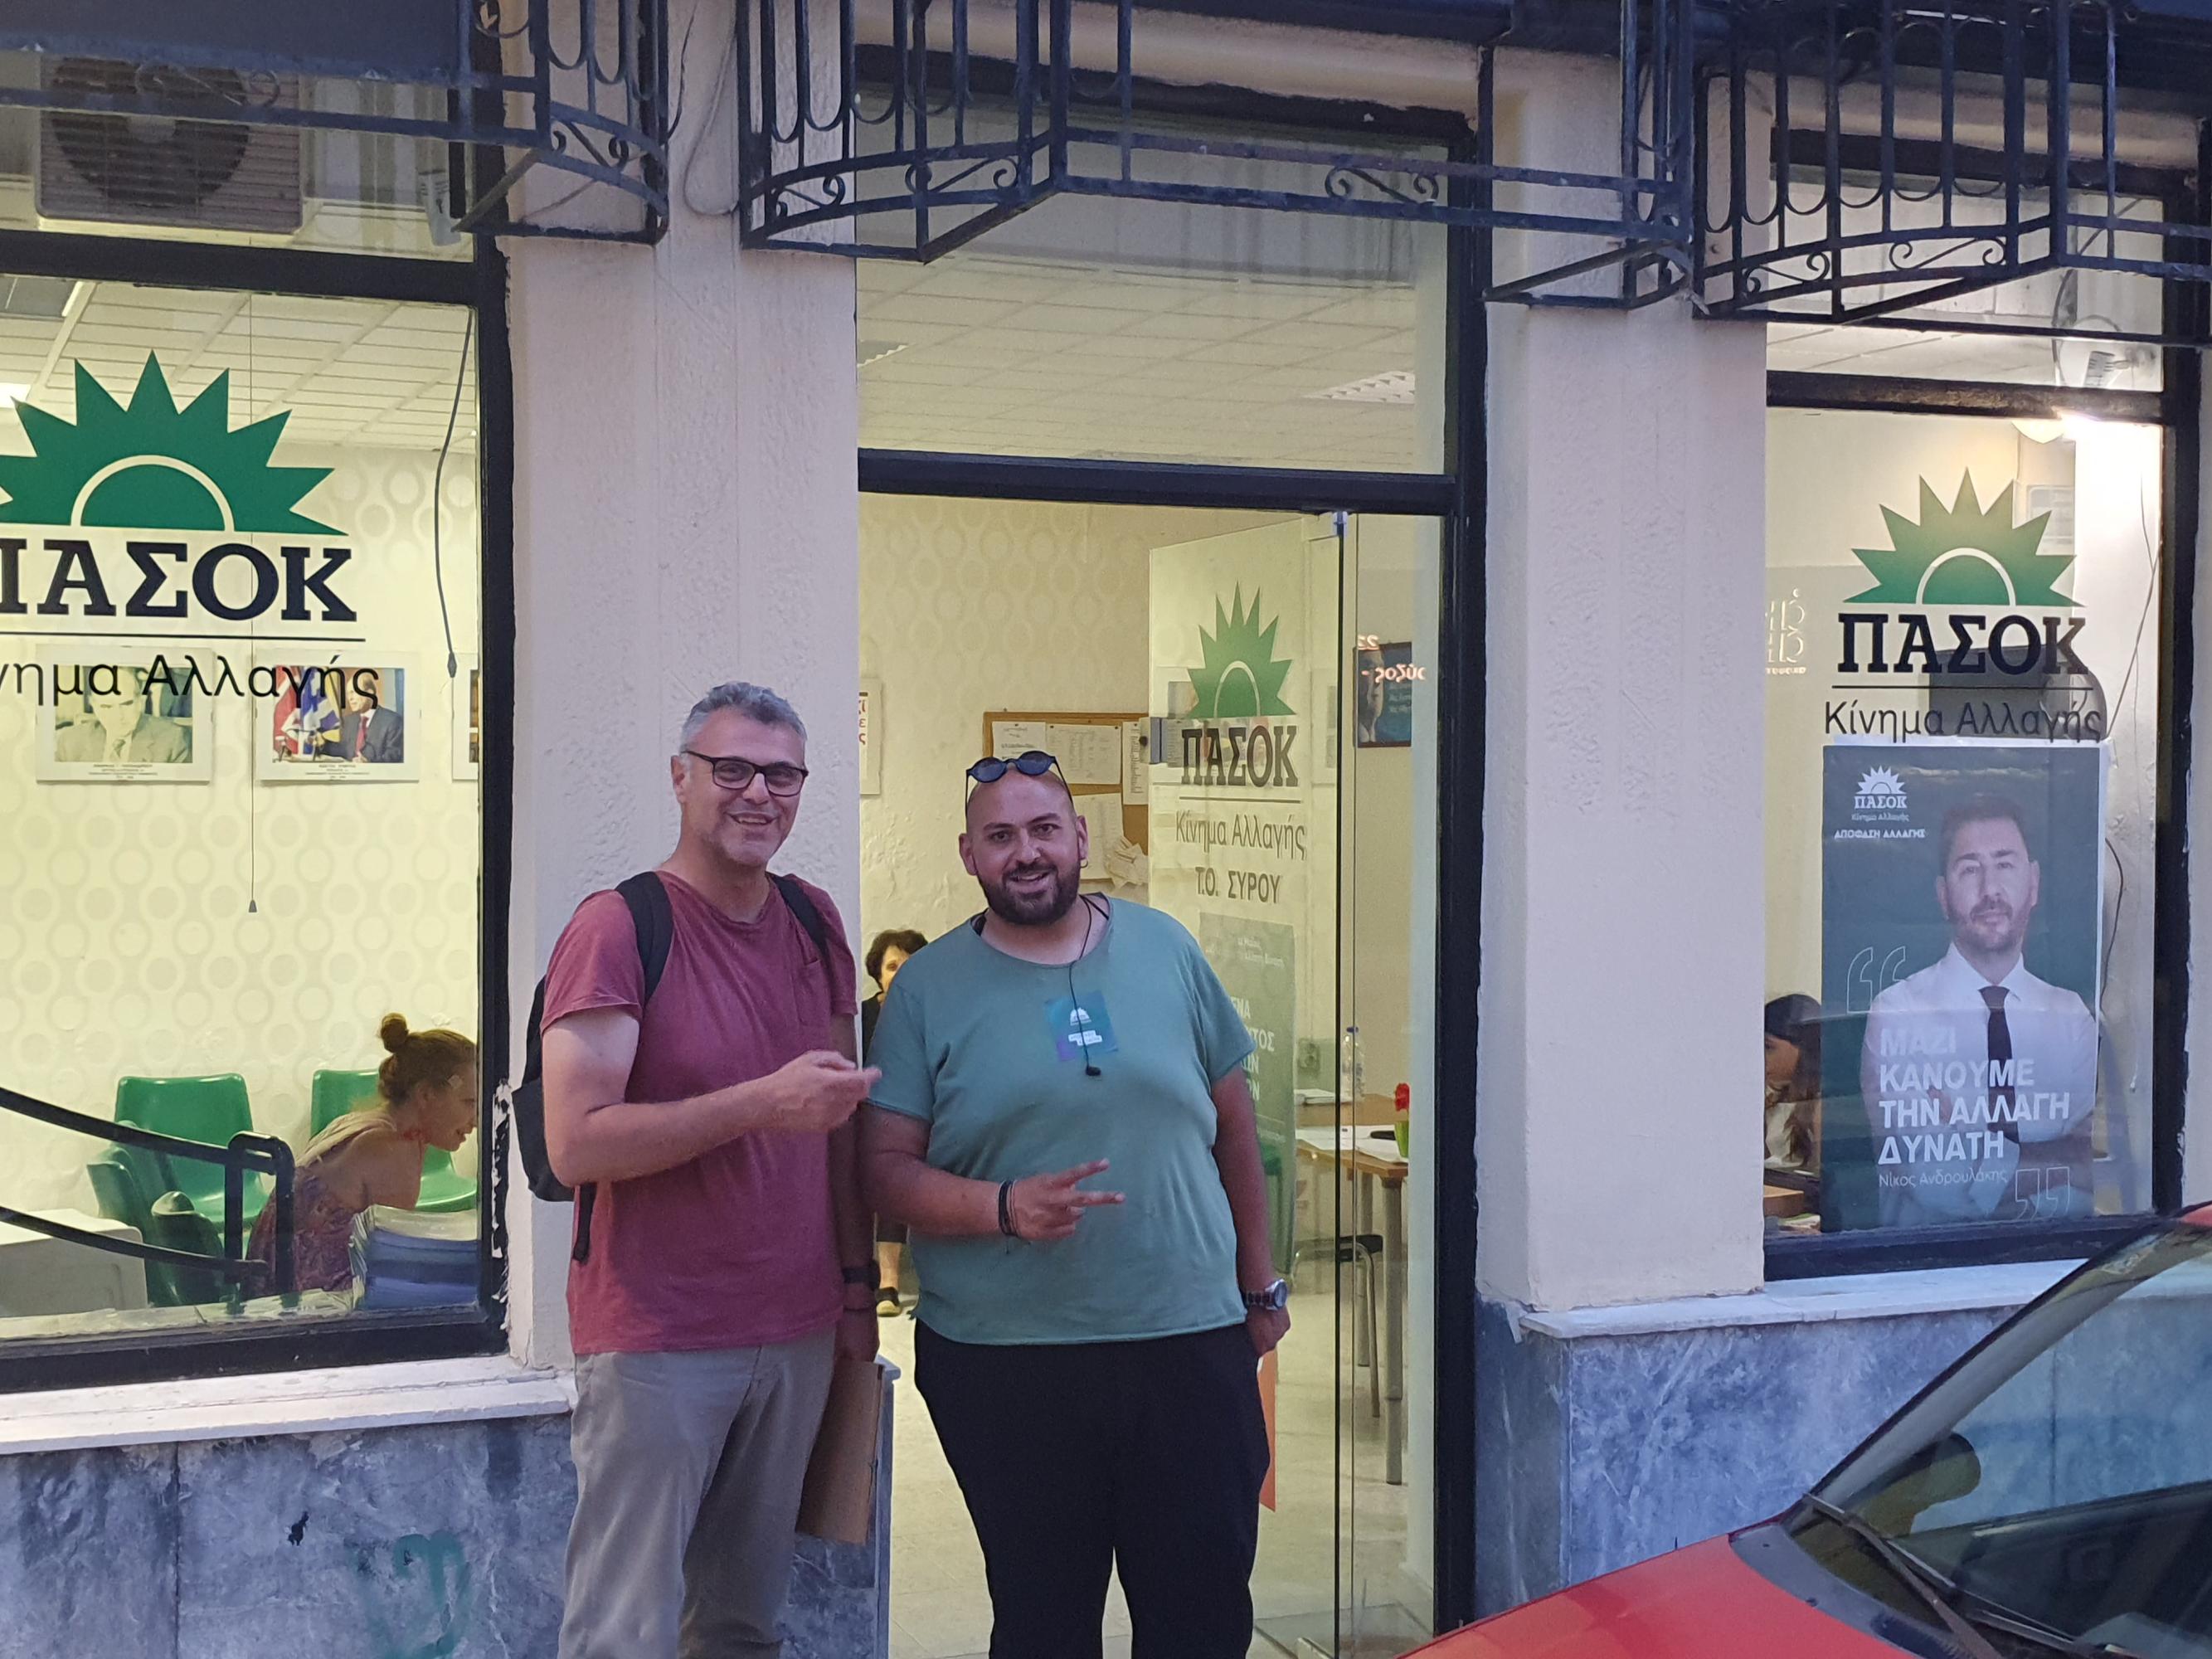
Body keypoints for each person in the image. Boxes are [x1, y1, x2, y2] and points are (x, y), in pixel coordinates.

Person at [863, 749, 1286, 1659]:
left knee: (1202, 1616)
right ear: (969, 855)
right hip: (1007, 1363)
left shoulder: (1166, 947)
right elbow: (882, 1172)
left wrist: (1259, 1284)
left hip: (1188, 1345)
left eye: (1044, 829)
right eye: (1000, 836)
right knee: (1044, 1622)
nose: (1026, 851)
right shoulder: (926, 989)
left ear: (1080, 838)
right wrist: (1002, 1206)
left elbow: (1236, 1127)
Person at [541, 680, 878, 1659]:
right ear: (680, 777)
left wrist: (857, 1289)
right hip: (659, 1337)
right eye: (731, 769)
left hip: (798, 1328)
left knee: (741, 1626)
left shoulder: (815, 919)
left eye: (781, 774)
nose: (757, 793)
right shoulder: (618, 926)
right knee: (623, 1630)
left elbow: (841, 1129)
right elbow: (577, 1142)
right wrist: (759, 1103)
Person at [1859, 793, 2099, 1228]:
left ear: (2034, 884)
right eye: (1970, 869)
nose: (1990, 890)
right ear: (1943, 894)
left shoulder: (2071, 1017)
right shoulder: (1897, 1013)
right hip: (1932, 1264)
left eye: (2005, 865)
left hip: (2056, 1260)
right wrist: (2061, 1156)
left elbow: (2091, 1174)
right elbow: (1934, 1182)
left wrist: (1976, 1151)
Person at [246, 1014, 476, 1294]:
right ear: (426, 1095)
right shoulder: (393, 1150)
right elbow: (391, 1271)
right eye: (469, 1102)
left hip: (269, 1286)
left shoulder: (358, 1123)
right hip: (304, 1301)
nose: (476, 1120)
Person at [862, 927, 929, 1316]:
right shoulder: (864, 1016)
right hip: (872, 1116)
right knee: (890, 1166)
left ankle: (935, 1284)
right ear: (878, 974)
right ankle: (886, 1284)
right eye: (892, 966)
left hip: (928, 1116)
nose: (901, 973)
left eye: (909, 965)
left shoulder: (933, 1013)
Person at [54, 667, 190, 764]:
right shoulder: (69, 743)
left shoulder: (172, 742)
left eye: (126, 704)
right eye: (106, 706)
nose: (118, 716)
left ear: (140, 702)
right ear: (93, 706)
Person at [1763, 993, 1823, 1178]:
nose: (1762, 1057)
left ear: (1802, 1047)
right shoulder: (1773, 1097)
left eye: (1768, 1047)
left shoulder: (1820, 1107)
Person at [340, 669, 405, 762]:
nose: (350, 698)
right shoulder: (348, 721)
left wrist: (369, 763)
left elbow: (393, 758)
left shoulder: (393, 721)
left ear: (370, 694)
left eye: (353, 692)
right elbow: (341, 750)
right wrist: (322, 743)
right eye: (348, 694)